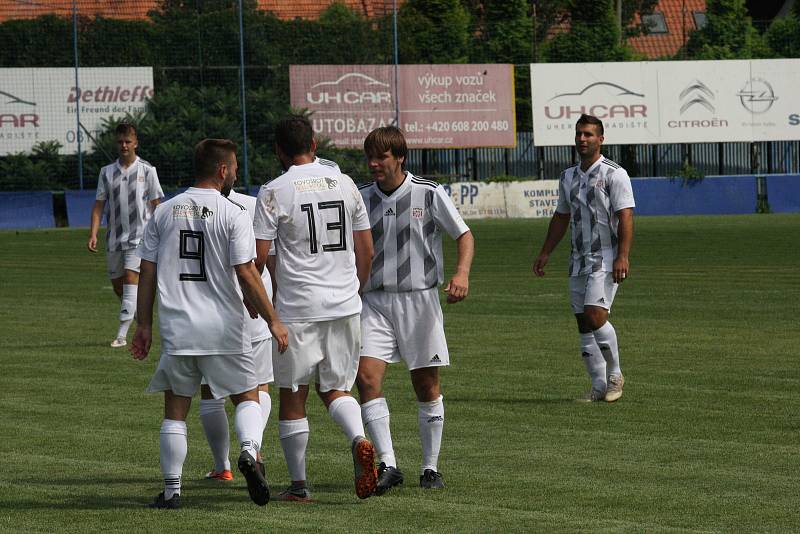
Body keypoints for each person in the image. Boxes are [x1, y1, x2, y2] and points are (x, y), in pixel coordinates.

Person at [131, 138, 289, 509]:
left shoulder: (165, 212)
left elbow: (147, 272)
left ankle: (171, 491)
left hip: (178, 329)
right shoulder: (232, 213)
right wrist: (273, 319)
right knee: (247, 396)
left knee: (175, 410)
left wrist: (144, 326)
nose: (235, 172)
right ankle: (250, 451)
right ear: (222, 170)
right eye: (233, 167)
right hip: (223, 328)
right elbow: (248, 273)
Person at [253, 115, 376, 502]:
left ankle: (299, 486)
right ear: (315, 144)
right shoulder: (346, 183)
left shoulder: (273, 191)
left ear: (278, 150)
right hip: (345, 305)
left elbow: (257, 260)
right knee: (337, 388)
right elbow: (367, 249)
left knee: (293, 395)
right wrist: (353, 288)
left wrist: (254, 303)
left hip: (298, 308)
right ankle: (359, 438)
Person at [356, 126, 474, 493]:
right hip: (372, 301)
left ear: (400, 157)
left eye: (382, 157)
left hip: (419, 299)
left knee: (426, 385)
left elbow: (465, 236)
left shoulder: (427, 192)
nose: (375, 164)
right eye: (370, 157)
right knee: (367, 379)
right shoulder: (359, 198)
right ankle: (388, 463)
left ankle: (430, 468)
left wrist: (461, 273)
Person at [532, 114, 635, 403]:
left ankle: (615, 376)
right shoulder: (568, 176)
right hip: (578, 259)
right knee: (582, 322)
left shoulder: (615, 174)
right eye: (579, 134)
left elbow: (626, 215)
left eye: (589, 134)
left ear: (601, 139)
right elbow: (561, 216)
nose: (582, 139)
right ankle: (598, 385)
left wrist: (623, 256)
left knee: (595, 315)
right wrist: (545, 252)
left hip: (606, 256)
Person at [198, 188, 276, 482]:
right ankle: (253, 449)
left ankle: (223, 466)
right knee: (260, 386)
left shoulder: (189, 209)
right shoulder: (254, 205)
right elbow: (268, 259)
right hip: (256, 300)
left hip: (214, 307)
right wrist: (272, 307)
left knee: (211, 391)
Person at [87, 123, 163, 348]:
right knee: (119, 286)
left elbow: (157, 204)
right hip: (114, 238)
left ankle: (121, 335)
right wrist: (93, 234)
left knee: (132, 277)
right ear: (116, 143)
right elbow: (99, 205)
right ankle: (140, 318)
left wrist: (162, 233)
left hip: (140, 236)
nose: (124, 145)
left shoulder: (148, 170)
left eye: (128, 141)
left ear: (135, 143)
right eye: (120, 141)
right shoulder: (106, 172)